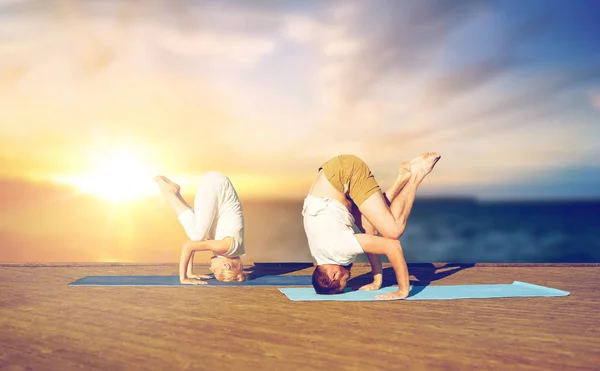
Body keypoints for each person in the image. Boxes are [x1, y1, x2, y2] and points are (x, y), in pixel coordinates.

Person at [302, 153, 441, 300]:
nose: (349, 276)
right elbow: (369, 240)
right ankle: (403, 177)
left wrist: (403, 290)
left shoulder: (339, 251)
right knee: (372, 229)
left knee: (393, 230)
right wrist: (377, 281)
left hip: (344, 173)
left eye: (345, 280)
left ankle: (416, 174)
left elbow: (392, 246)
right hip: (332, 177)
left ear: (333, 275)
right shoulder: (320, 256)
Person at [154, 171, 247, 285]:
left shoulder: (231, 249)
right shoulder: (224, 247)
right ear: (226, 265)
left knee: (196, 235)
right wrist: (183, 278)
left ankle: (175, 193)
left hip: (216, 184)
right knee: (197, 235)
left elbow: (193, 245)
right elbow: (188, 246)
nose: (210, 269)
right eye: (214, 271)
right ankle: (170, 193)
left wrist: (190, 273)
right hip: (215, 184)